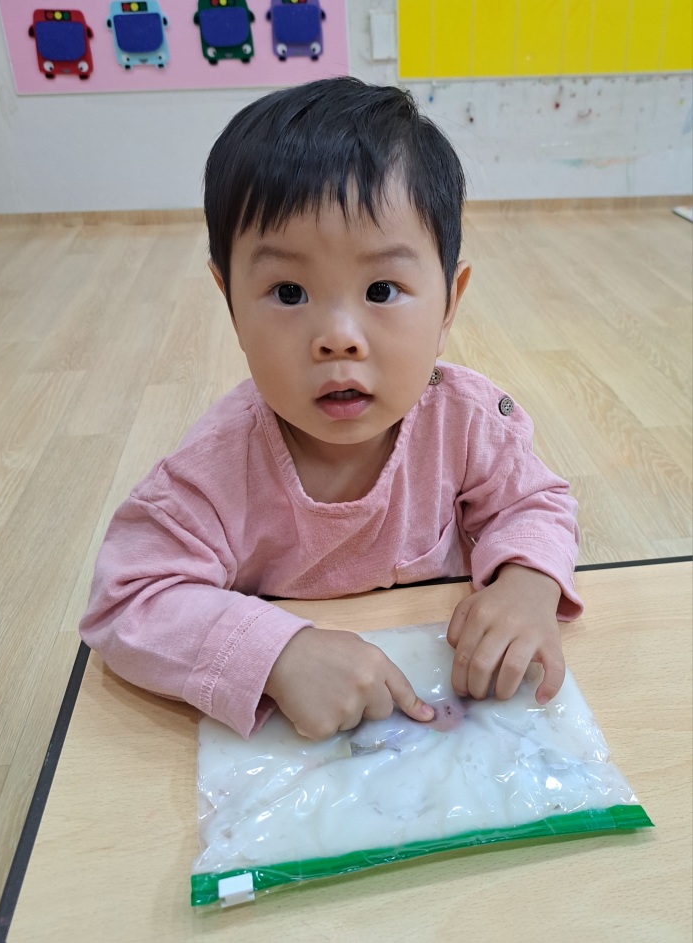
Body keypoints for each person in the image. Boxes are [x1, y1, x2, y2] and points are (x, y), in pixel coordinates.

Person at [80, 77, 582, 741]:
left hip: (448, 715)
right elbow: (126, 599)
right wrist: (276, 654)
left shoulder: (465, 420)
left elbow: (534, 503)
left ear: (449, 301)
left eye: (382, 289)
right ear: (229, 301)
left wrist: (527, 583)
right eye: (289, 292)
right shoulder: (216, 468)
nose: (338, 337)